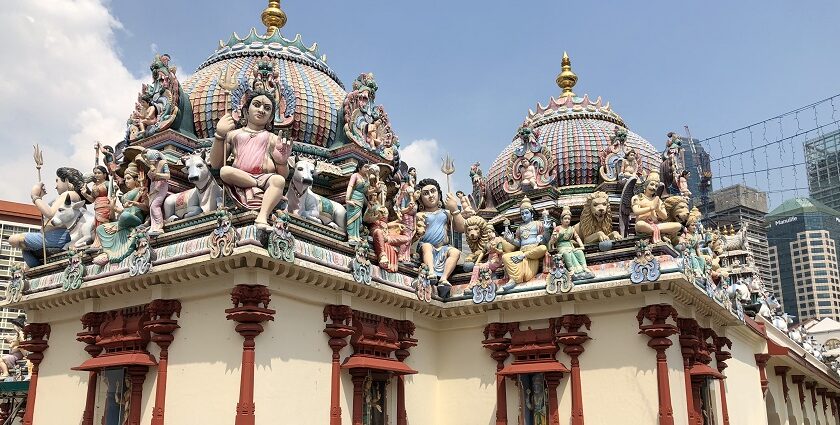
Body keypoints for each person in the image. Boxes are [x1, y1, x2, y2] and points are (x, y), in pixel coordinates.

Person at [210, 90, 291, 230]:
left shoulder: (272, 138)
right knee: (225, 171)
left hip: (265, 177)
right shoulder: (234, 135)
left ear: (271, 117)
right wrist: (219, 134)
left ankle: (262, 217)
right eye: (257, 105)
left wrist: (281, 161)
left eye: (267, 108)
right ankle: (256, 184)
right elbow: (216, 164)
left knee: (279, 181)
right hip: (240, 178)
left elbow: (283, 175)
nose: (261, 110)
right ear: (246, 111)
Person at [9, 167, 84, 267]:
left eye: (57, 181)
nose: (56, 186)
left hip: (58, 237)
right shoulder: (66, 197)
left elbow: (51, 214)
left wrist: (35, 196)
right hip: (51, 236)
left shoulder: (70, 194)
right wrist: (41, 199)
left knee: (14, 239)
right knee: (26, 251)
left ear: (66, 180)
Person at [92, 162, 149, 264]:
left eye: (129, 178)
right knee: (100, 228)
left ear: (136, 180)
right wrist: (113, 208)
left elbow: (146, 207)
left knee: (125, 216)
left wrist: (136, 202)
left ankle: (110, 249)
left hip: (134, 219)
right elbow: (122, 211)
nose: (126, 181)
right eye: (125, 179)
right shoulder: (126, 194)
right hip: (123, 219)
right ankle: (108, 252)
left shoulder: (140, 190)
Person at [414, 178, 465, 287]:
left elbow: (461, 228)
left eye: (433, 191)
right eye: (426, 193)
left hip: (443, 248)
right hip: (425, 246)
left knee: (455, 252)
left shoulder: (446, 213)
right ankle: (431, 272)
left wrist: (454, 209)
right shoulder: (420, 214)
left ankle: (444, 278)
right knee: (427, 246)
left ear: (439, 194)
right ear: (420, 199)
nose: (431, 195)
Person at [501, 197, 549, 284]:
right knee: (505, 257)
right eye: (522, 214)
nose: (524, 215)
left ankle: (523, 257)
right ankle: (514, 280)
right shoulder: (520, 228)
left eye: (526, 213)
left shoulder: (537, 224)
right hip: (522, 251)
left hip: (533, 253)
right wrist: (511, 240)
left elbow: (545, 241)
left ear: (532, 214)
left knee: (543, 248)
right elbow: (519, 243)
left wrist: (546, 230)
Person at [631, 172, 682, 243]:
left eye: (656, 186)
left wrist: (658, 209)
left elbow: (664, 217)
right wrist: (651, 208)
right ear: (645, 186)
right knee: (639, 225)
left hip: (656, 224)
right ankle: (658, 233)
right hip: (644, 224)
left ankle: (655, 231)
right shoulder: (637, 197)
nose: (653, 187)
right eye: (651, 184)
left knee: (678, 226)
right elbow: (636, 211)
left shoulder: (658, 200)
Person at [549, 206, 593, 279]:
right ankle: (571, 269)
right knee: (566, 253)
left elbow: (577, 237)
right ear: (561, 220)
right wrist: (554, 238)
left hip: (570, 246)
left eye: (569, 219)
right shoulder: (558, 228)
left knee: (579, 252)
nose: (567, 220)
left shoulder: (571, 229)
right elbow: (552, 242)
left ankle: (584, 267)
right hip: (561, 247)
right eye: (565, 219)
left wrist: (581, 246)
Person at [143, 149, 170, 236]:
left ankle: (159, 227)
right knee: (151, 207)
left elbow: (168, 176)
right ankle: (153, 227)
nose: (151, 163)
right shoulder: (151, 166)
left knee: (155, 205)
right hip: (153, 187)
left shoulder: (163, 163)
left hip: (162, 185)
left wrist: (158, 175)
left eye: (151, 161)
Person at [345, 162, 373, 245]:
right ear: (359, 167)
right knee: (352, 218)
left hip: (361, 200)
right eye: (365, 167)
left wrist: (375, 190)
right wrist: (347, 199)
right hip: (353, 199)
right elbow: (350, 187)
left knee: (358, 219)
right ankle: (351, 237)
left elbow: (366, 192)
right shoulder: (355, 175)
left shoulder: (366, 178)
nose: (367, 169)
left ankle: (356, 236)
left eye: (368, 167)